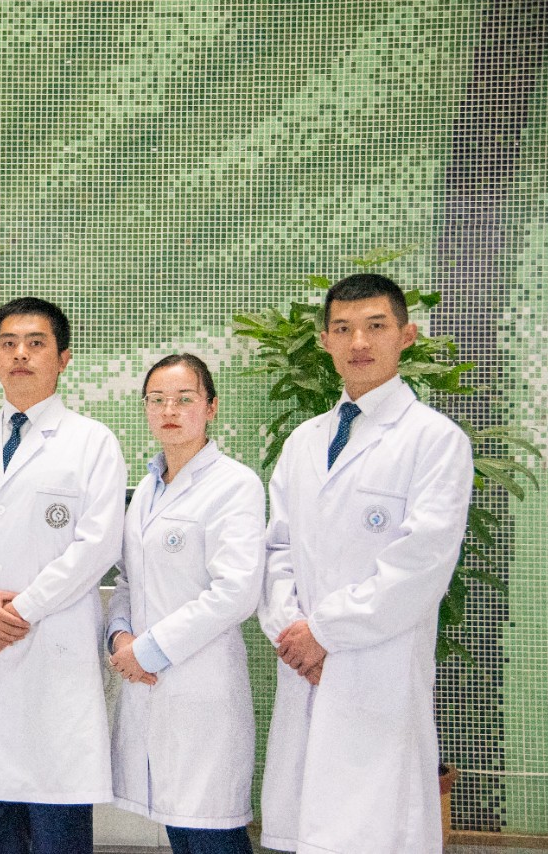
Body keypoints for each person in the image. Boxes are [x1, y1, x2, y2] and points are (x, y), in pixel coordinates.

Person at [258, 273, 474, 853]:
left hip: (378, 672)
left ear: (406, 335)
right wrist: (291, 632)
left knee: (375, 829)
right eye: (343, 329)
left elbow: (419, 566)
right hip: (304, 665)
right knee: (312, 828)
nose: (358, 342)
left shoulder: (435, 440)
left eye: (375, 326)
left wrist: (324, 632)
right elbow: (276, 549)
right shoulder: (304, 442)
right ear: (325, 341)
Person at [0, 297, 126, 854]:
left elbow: (97, 545)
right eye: (8, 343)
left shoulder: (93, 443)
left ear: (63, 359)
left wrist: (19, 611)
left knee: (57, 823)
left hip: (52, 653)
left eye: (36, 343)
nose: (20, 354)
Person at [106, 354, 263, 854]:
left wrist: (148, 651)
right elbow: (127, 578)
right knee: (181, 828)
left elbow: (236, 591)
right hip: (150, 685)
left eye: (184, 399)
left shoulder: (235, 485)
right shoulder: (146, 490)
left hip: (202, 686)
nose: (169, 410)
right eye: (157, 400)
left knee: (211, 833)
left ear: (211, 407)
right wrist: (120, 635)